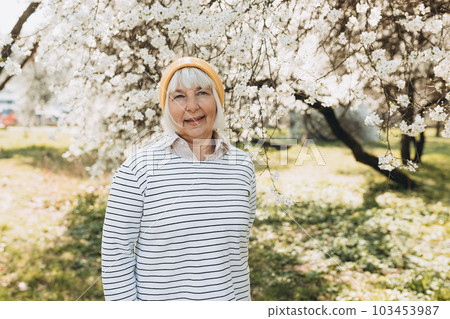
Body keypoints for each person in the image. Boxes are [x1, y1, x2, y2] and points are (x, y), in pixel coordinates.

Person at [101, 57, 257, 301]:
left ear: (216, 101)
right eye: (179, 96)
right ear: (166, 106)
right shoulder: (137, 169)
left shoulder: (242, 167)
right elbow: (115, 256)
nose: (192, 106)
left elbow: (237, 254)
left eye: (202, 93)